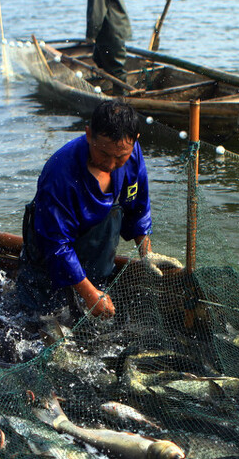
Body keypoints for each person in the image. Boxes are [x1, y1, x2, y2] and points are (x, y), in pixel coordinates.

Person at [17, 100, 180, 320]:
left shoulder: (132, 154)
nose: (111, 164)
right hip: (47, 268)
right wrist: (89, 293)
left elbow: (138, 206)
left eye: (120, 157)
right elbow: (56, 244)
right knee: (40, 324)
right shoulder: (59, 174)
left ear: (135, 141)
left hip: (95, 265)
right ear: (88, 135)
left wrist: (146, 252)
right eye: (103, 154)